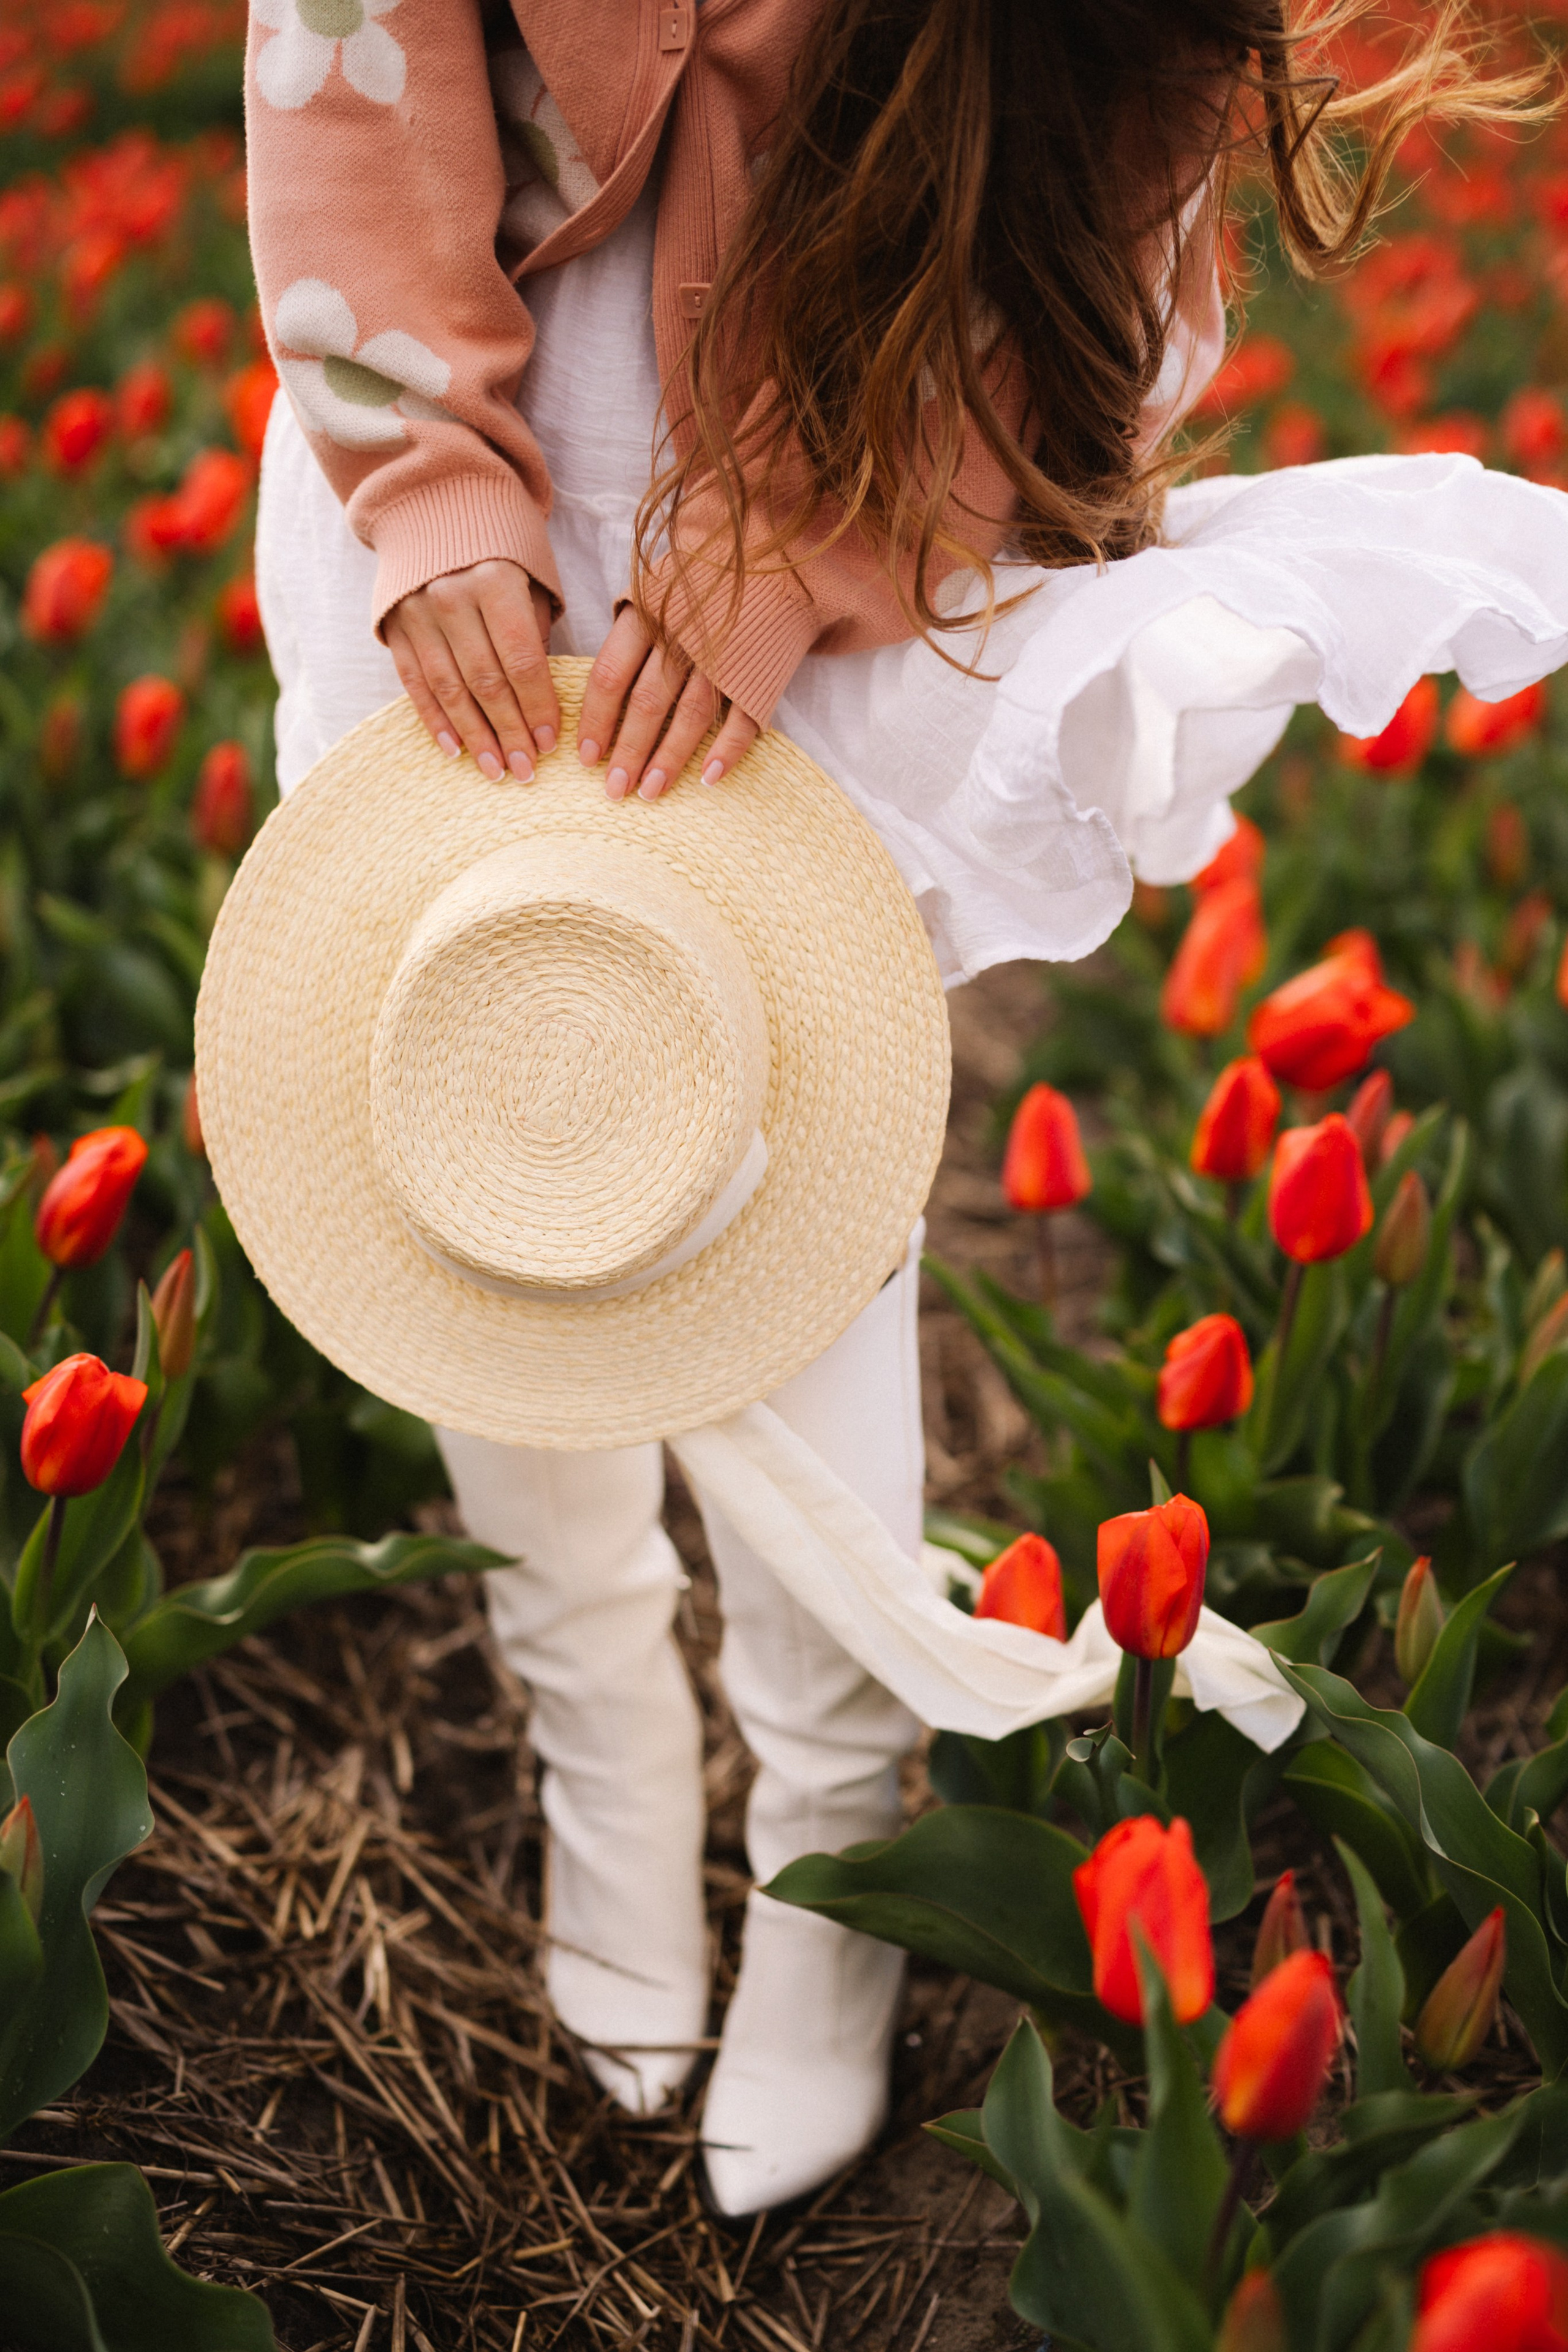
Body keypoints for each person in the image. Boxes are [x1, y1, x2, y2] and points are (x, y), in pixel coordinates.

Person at [244, 0, 1546, 2212]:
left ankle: (831, 1855)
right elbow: (343, 59)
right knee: (467, 1126)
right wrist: (430, 482)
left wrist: (822, 531)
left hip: (853, 460)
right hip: (432, 432)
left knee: (777, 1178)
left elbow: (1102, 257)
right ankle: (607, 1761)